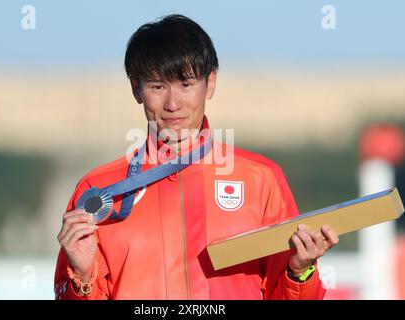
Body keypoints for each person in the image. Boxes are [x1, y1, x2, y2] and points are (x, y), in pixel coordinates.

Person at [54, 14, 339, 300]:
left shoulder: (261, 179)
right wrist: (81, 277)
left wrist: (300, 271)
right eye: (157, 86)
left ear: (210, 82)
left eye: (186, 84)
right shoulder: (98, 192)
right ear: (136, 88)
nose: (173, 103)